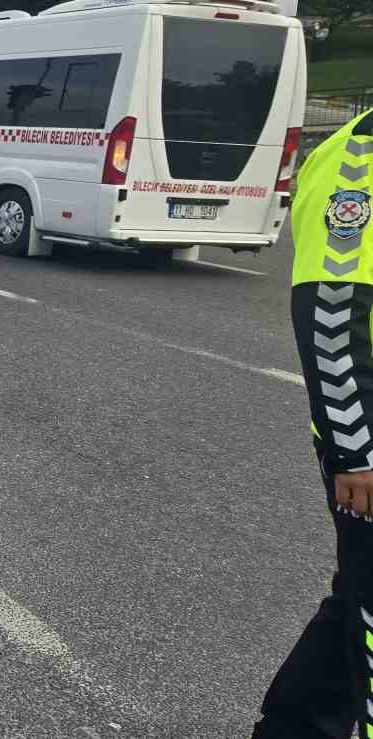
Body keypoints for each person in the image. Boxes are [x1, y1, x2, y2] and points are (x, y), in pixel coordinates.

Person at [254, 109, 373, 738]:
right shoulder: (359, 163)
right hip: (368, 446)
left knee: (359, 600)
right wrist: (357, 454)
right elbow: (331, 319)